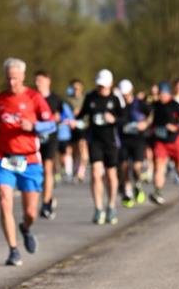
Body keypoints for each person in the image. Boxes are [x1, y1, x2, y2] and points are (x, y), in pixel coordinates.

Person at [0, 58, 54, 265]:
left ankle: (26, 227)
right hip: (4, 158)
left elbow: (51, 124)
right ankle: (13, 250)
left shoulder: (35, 97)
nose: (11, 83)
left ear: (23, 77)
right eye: (8, 78)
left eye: (15, 78)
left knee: (31, 212)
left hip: (30, 160)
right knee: (5, 200)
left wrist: (33, 127)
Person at [76, 69, 125, 225]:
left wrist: (114, 119)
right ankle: (98, 209)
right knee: (96, 174)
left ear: (110, 84)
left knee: (111, 175)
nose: (101, 88)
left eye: (104, 86)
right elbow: (82, 115)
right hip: (95, 141)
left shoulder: (116, 98)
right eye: (99, 85)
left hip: (111, 141)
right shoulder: (91, 97)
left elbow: (124, 119)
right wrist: (74, 119)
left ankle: (111, 206)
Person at [145, 81, 179, 204]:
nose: (160, 96)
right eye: (159, 94)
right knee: (159, 166)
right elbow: (150, 120)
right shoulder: (155, 106)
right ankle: (158, 192)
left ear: (168, 93)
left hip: (175, 141)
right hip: (161, 142)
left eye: (162, 93)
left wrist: (176, 127)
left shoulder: (175, 105)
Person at [33, 71, 64, 218]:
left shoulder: (56, 99)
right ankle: (47, 197)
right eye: (36, 80)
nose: (37, 83)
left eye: (40, 80)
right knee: (37, 170)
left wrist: (59, 118)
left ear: (48, 81)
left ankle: (45, 203)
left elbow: (66, 116)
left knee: (47, 168)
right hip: (34, 139)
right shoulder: (31, 97)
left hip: (51, 138)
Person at [118, 79, 150, 208]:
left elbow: (151, 114)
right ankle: (128, 192)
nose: (125, 97)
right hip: (123, 140)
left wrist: (145, 123)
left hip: (138, 140)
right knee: (124, 167)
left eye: (126, 94)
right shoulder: (118, 106)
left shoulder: (140, 104)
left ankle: (137, 184)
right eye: (122, 94)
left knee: (136, 167)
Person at [63, 79, 88, 182]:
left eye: (78, 87)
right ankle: (74, 170)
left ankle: (81, 172)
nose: (76, 89)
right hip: (71, 128)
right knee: (73, 150)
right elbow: (64, 114)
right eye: (74, 88)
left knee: (83, 149)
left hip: (83, 127)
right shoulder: (68, 100)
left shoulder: (85, 99)